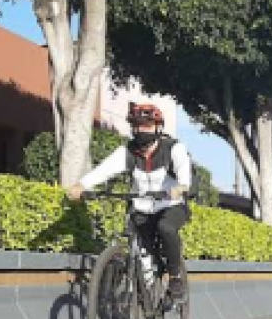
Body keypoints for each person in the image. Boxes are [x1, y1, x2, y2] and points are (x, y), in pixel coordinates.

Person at [67, 102, 192, 302]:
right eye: (137, 125)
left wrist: (180, 187)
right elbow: (104, 169)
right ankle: (139, 297)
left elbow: (184, 175)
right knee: (139, 250)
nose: (142, 130)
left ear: (158, 128)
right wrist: (81, 185)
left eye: (147, 125)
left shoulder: (173, 148)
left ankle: (175, 277)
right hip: (141, 207)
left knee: (166, 228)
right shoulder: (128, 152)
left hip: (170, 205)